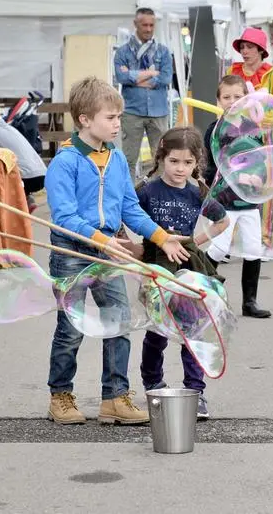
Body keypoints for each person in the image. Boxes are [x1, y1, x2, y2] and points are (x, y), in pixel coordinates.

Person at [44, 77, 189, 425]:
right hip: (71, 250)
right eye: (110, 117)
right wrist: (101, 239)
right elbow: (64, 216)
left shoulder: (117, 158)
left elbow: (129, 208)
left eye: (119, 117)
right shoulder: (65, 162)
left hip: (108, 249)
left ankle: (115, 397)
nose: (117, 124)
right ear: (84, 119)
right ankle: (60, 396)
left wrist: (159, 236)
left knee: (118, 321)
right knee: (71, 328)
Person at [137, 126, 228, 420]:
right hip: (158, 267)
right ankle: (153, 383)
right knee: (158, 332)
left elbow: (222, 222)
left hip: (188, 266)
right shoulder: (147, 190)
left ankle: (196, 391)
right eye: (174, 161)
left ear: (196, 163)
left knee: (193, 331)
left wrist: (194, 243)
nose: (180, 168)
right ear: (161, 156)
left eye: (188, 163)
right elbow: (127, 219)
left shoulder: (196, 192)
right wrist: (138, 252)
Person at [202, 75, 273, 319]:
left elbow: (260, 160)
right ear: (218, 100)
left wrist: (258, 177)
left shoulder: (253, 128)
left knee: (254, 249)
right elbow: (210, 167)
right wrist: (209, 191)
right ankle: (201, 291)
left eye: (237, 97)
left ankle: (249, 302)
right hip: (225, 201)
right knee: (220, 247)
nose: (232, 101)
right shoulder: (215, 130)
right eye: (226, 97)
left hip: (250, 201)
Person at [114, 7, 173, 178]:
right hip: (132, 111)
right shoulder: (123, 52)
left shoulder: (163, 51)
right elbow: (121, 77)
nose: (148, 29)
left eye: (151, 25)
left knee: (161, 158)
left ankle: (158, 195)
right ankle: (129, 197)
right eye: (144, 25)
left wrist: (134, 77)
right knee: (128, 158)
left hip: (159, 111)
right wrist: (150, 74)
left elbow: (166, 78)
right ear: (135, 24)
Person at [227, 28, 273, 102]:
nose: (244, 51)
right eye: (242, 47)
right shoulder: (232, 71)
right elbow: (224, 98)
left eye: (249, 47)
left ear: (261, 50)